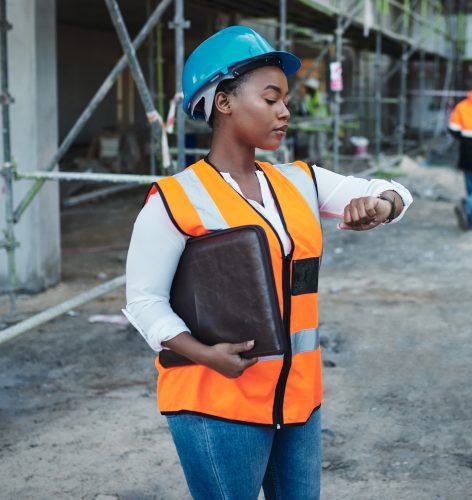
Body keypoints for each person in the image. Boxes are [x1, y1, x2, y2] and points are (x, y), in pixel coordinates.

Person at [124, 26, 413, 500]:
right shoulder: (174, 199)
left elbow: (395, 191)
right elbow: (143, 301)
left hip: (299, 399)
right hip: (216, 404)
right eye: (271, 98)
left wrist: (380, 206)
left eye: (285, 100)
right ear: (224, 102)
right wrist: (206, 356)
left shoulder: (302, 181)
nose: (285, 112)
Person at [449, 77, 472, 230]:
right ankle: (467, 205)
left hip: (467, 152)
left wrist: (466, 138)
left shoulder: (462, 106)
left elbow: (453, 128)